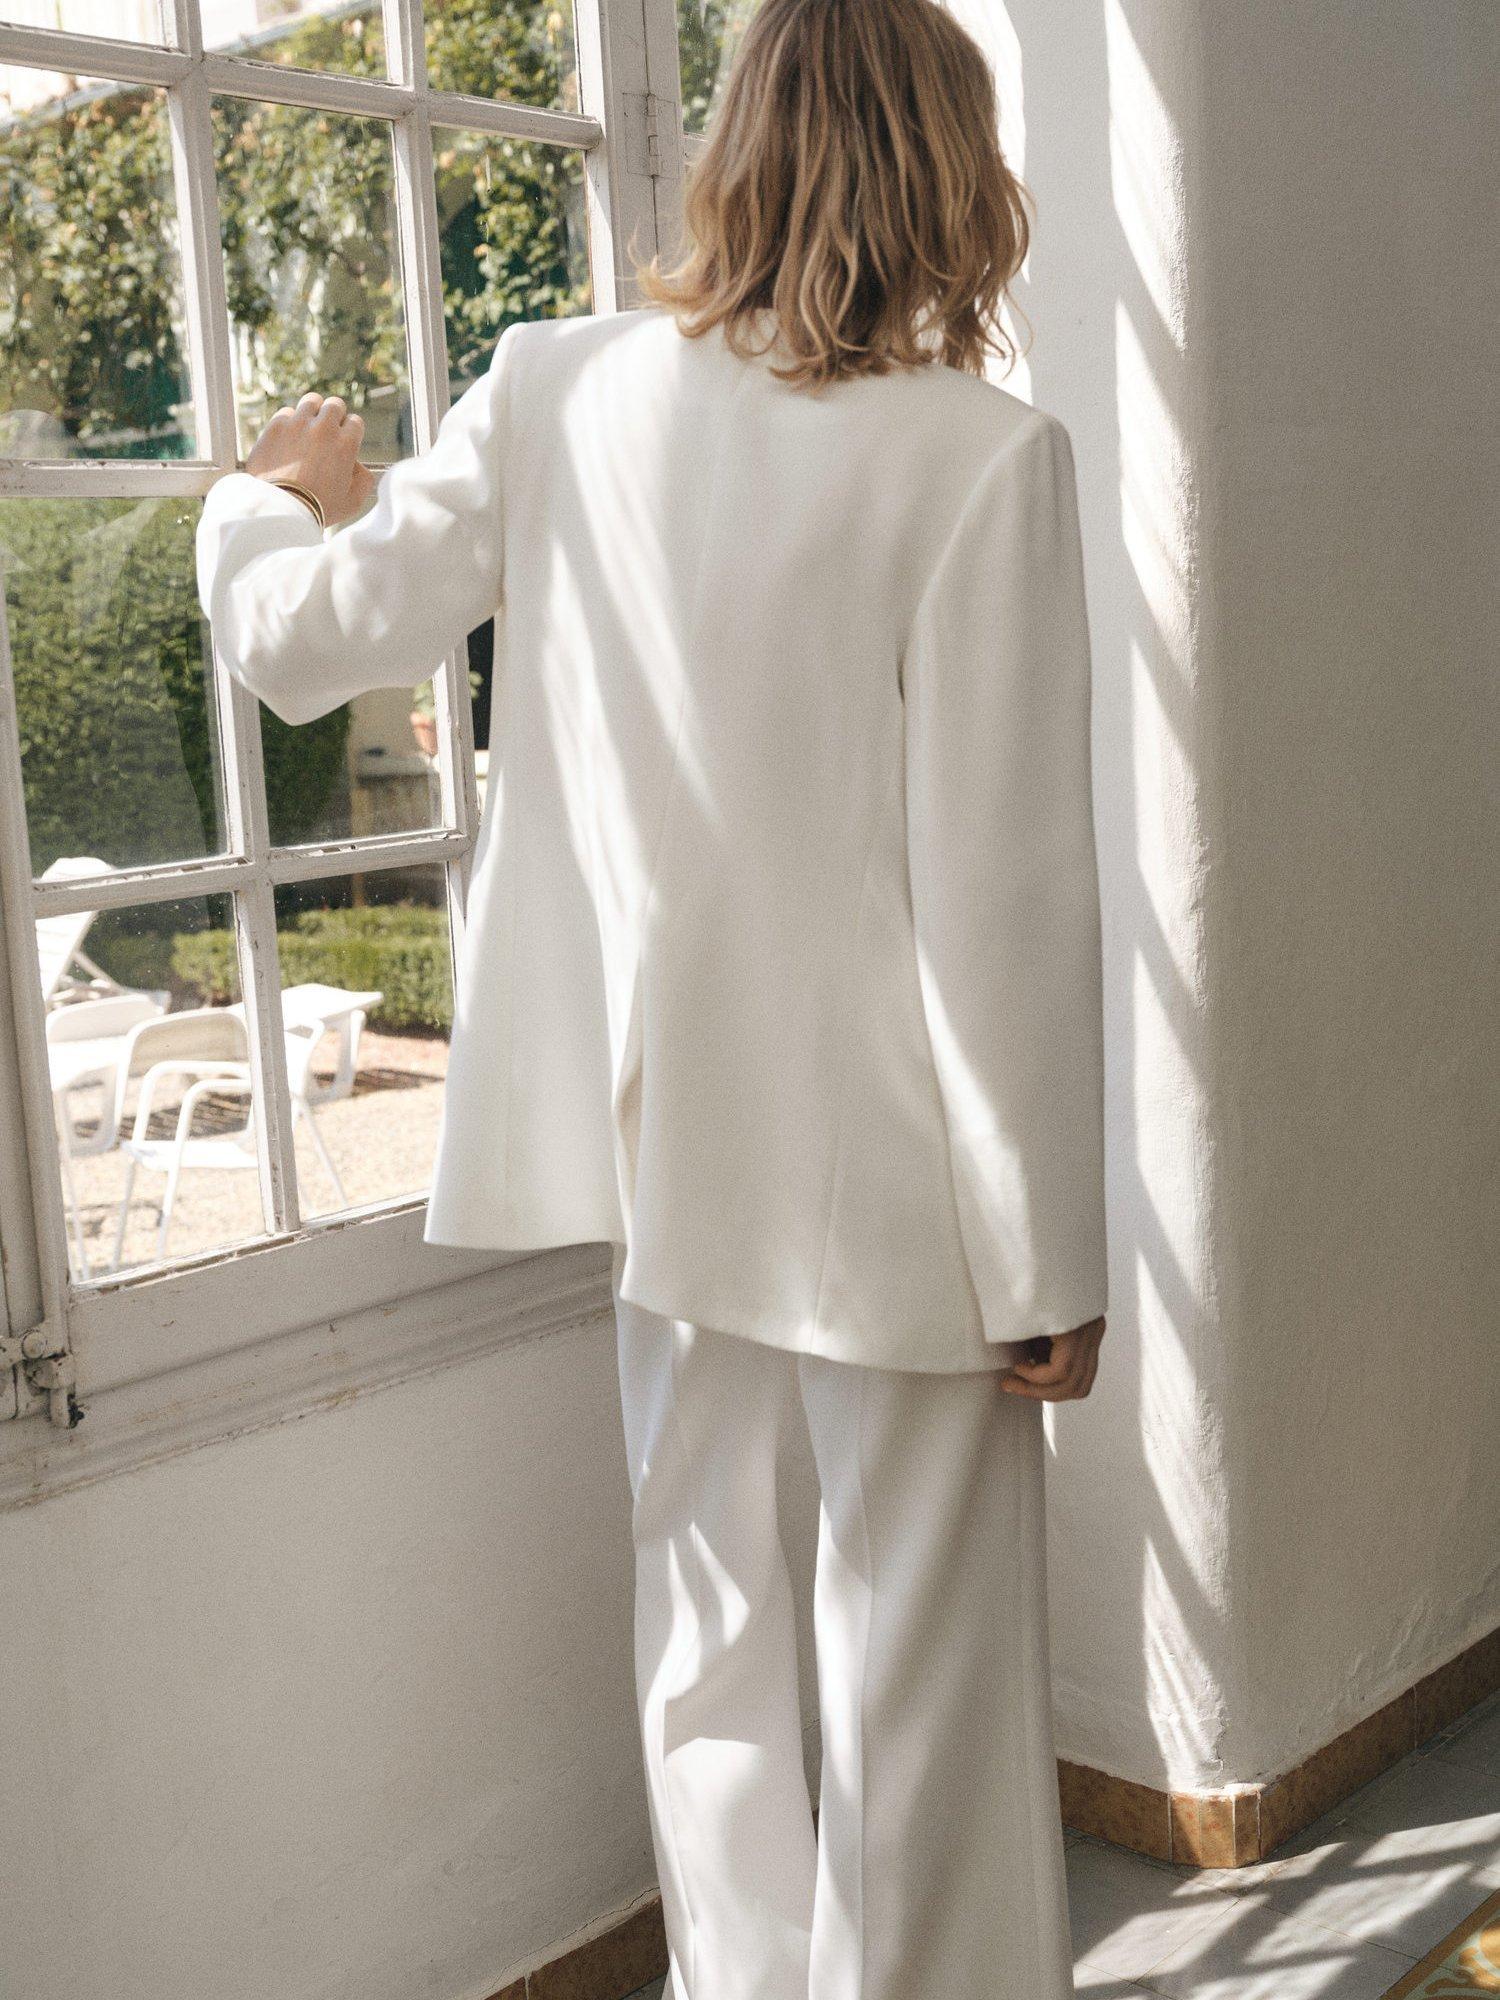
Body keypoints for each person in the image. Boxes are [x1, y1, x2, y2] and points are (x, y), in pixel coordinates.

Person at [195, 0, 1108, 1990]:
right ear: (955, 175)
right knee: (924, 1672)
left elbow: (301, 639)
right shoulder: (984, 460)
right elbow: (1006, 896)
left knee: (708, 1634)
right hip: (904, 1191)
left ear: (741, 150)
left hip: (664, 1155)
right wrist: (1049, 1250)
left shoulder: (558, 387)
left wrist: (268, 491)